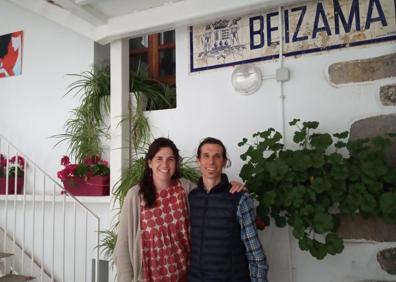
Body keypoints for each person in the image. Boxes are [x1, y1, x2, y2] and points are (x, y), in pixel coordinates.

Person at [113, 137, 244, 282]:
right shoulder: (136, 195)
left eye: (170, 159)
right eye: (159, 159)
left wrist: (233, 186)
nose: (165, 164)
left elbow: (211, 192)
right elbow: (122, 247)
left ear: (176, 163)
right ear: (149, 163)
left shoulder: (186, 188)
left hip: (185, 277)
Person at [188, 137, 268, 282]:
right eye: (206, 156)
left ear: (224, 162)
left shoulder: (240, 199)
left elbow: (256, 255)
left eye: (217, 156)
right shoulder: (190, 198)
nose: (211, 162)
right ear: (198, 161)